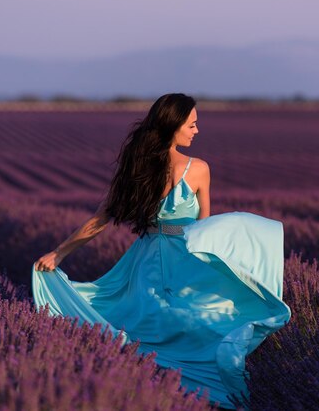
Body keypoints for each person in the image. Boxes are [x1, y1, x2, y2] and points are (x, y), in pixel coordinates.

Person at [33, 93, 291, 410]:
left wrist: (58, 254)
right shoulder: (198, 169)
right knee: (200, 327)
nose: (197, 131)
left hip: (145, 262)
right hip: (186, 261)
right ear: (174, 125)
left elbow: (100, 219)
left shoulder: (137, 169)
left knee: (142, 330)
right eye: (192, 124)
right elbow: (206, 229)